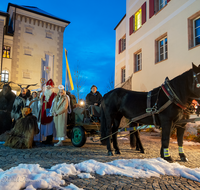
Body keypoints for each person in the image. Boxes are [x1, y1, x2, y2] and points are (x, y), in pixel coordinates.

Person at [40, 79, 56, 144]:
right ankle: (46, 138)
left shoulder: (54, 95)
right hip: (44, 112)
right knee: (45, 126)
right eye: (47, 86)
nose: (48, 87)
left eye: (50, 86)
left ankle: (50, 139)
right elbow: (41, 103)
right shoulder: (44, 95)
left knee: (50, 125)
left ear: (52, 87)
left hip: (50, 111)